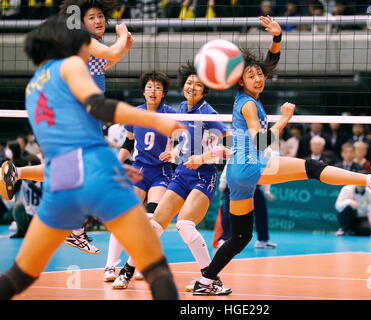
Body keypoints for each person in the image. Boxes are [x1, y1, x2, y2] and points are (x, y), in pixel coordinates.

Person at [190, 15, 371, 296]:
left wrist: (277, 37)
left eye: (259, 75)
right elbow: (261, 142)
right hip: (250, 163)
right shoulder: (248, 105)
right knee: (312, 167)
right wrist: (285, 119)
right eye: (251, 76)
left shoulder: (250, 95)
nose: (259, 78)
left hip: (238, 172)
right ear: (240, 81)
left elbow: (269, 65)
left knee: (240, 236)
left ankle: (206, 280)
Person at [0, 16, 182, 300]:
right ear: (66, 43)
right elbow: (98, 105)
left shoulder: (33, 87)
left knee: (20, 275)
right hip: (96, 169)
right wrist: (155, 121)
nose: (88, 44)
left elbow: (67, 141)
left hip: (61, 182)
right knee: (156, 269)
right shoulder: (71, 65)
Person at [147, 61, 232, 294]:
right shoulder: (183, 107)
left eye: (197, 85)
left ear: (204, 91)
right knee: (155, 223)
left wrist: (204, 156)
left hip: (203, 176)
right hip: (181, 173)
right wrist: (175, 151)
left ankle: (211, 279)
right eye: (188, 83)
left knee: (184, 224)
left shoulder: (209, 113)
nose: (191, 87)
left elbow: (231, 141)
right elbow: (185, 141)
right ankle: (127, 269)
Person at [104, 71, 177, 289]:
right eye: (149, 87)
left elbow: (179, 142)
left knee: (150, 217)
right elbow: (128, 144)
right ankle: (110, 266)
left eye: (157, 88)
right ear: (143, 91)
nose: (153, 91)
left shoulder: (171, 114)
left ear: (164, 93)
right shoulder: (135, 113)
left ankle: (139, 262)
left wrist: (173, 152)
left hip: (162, 172)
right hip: (139, 170)